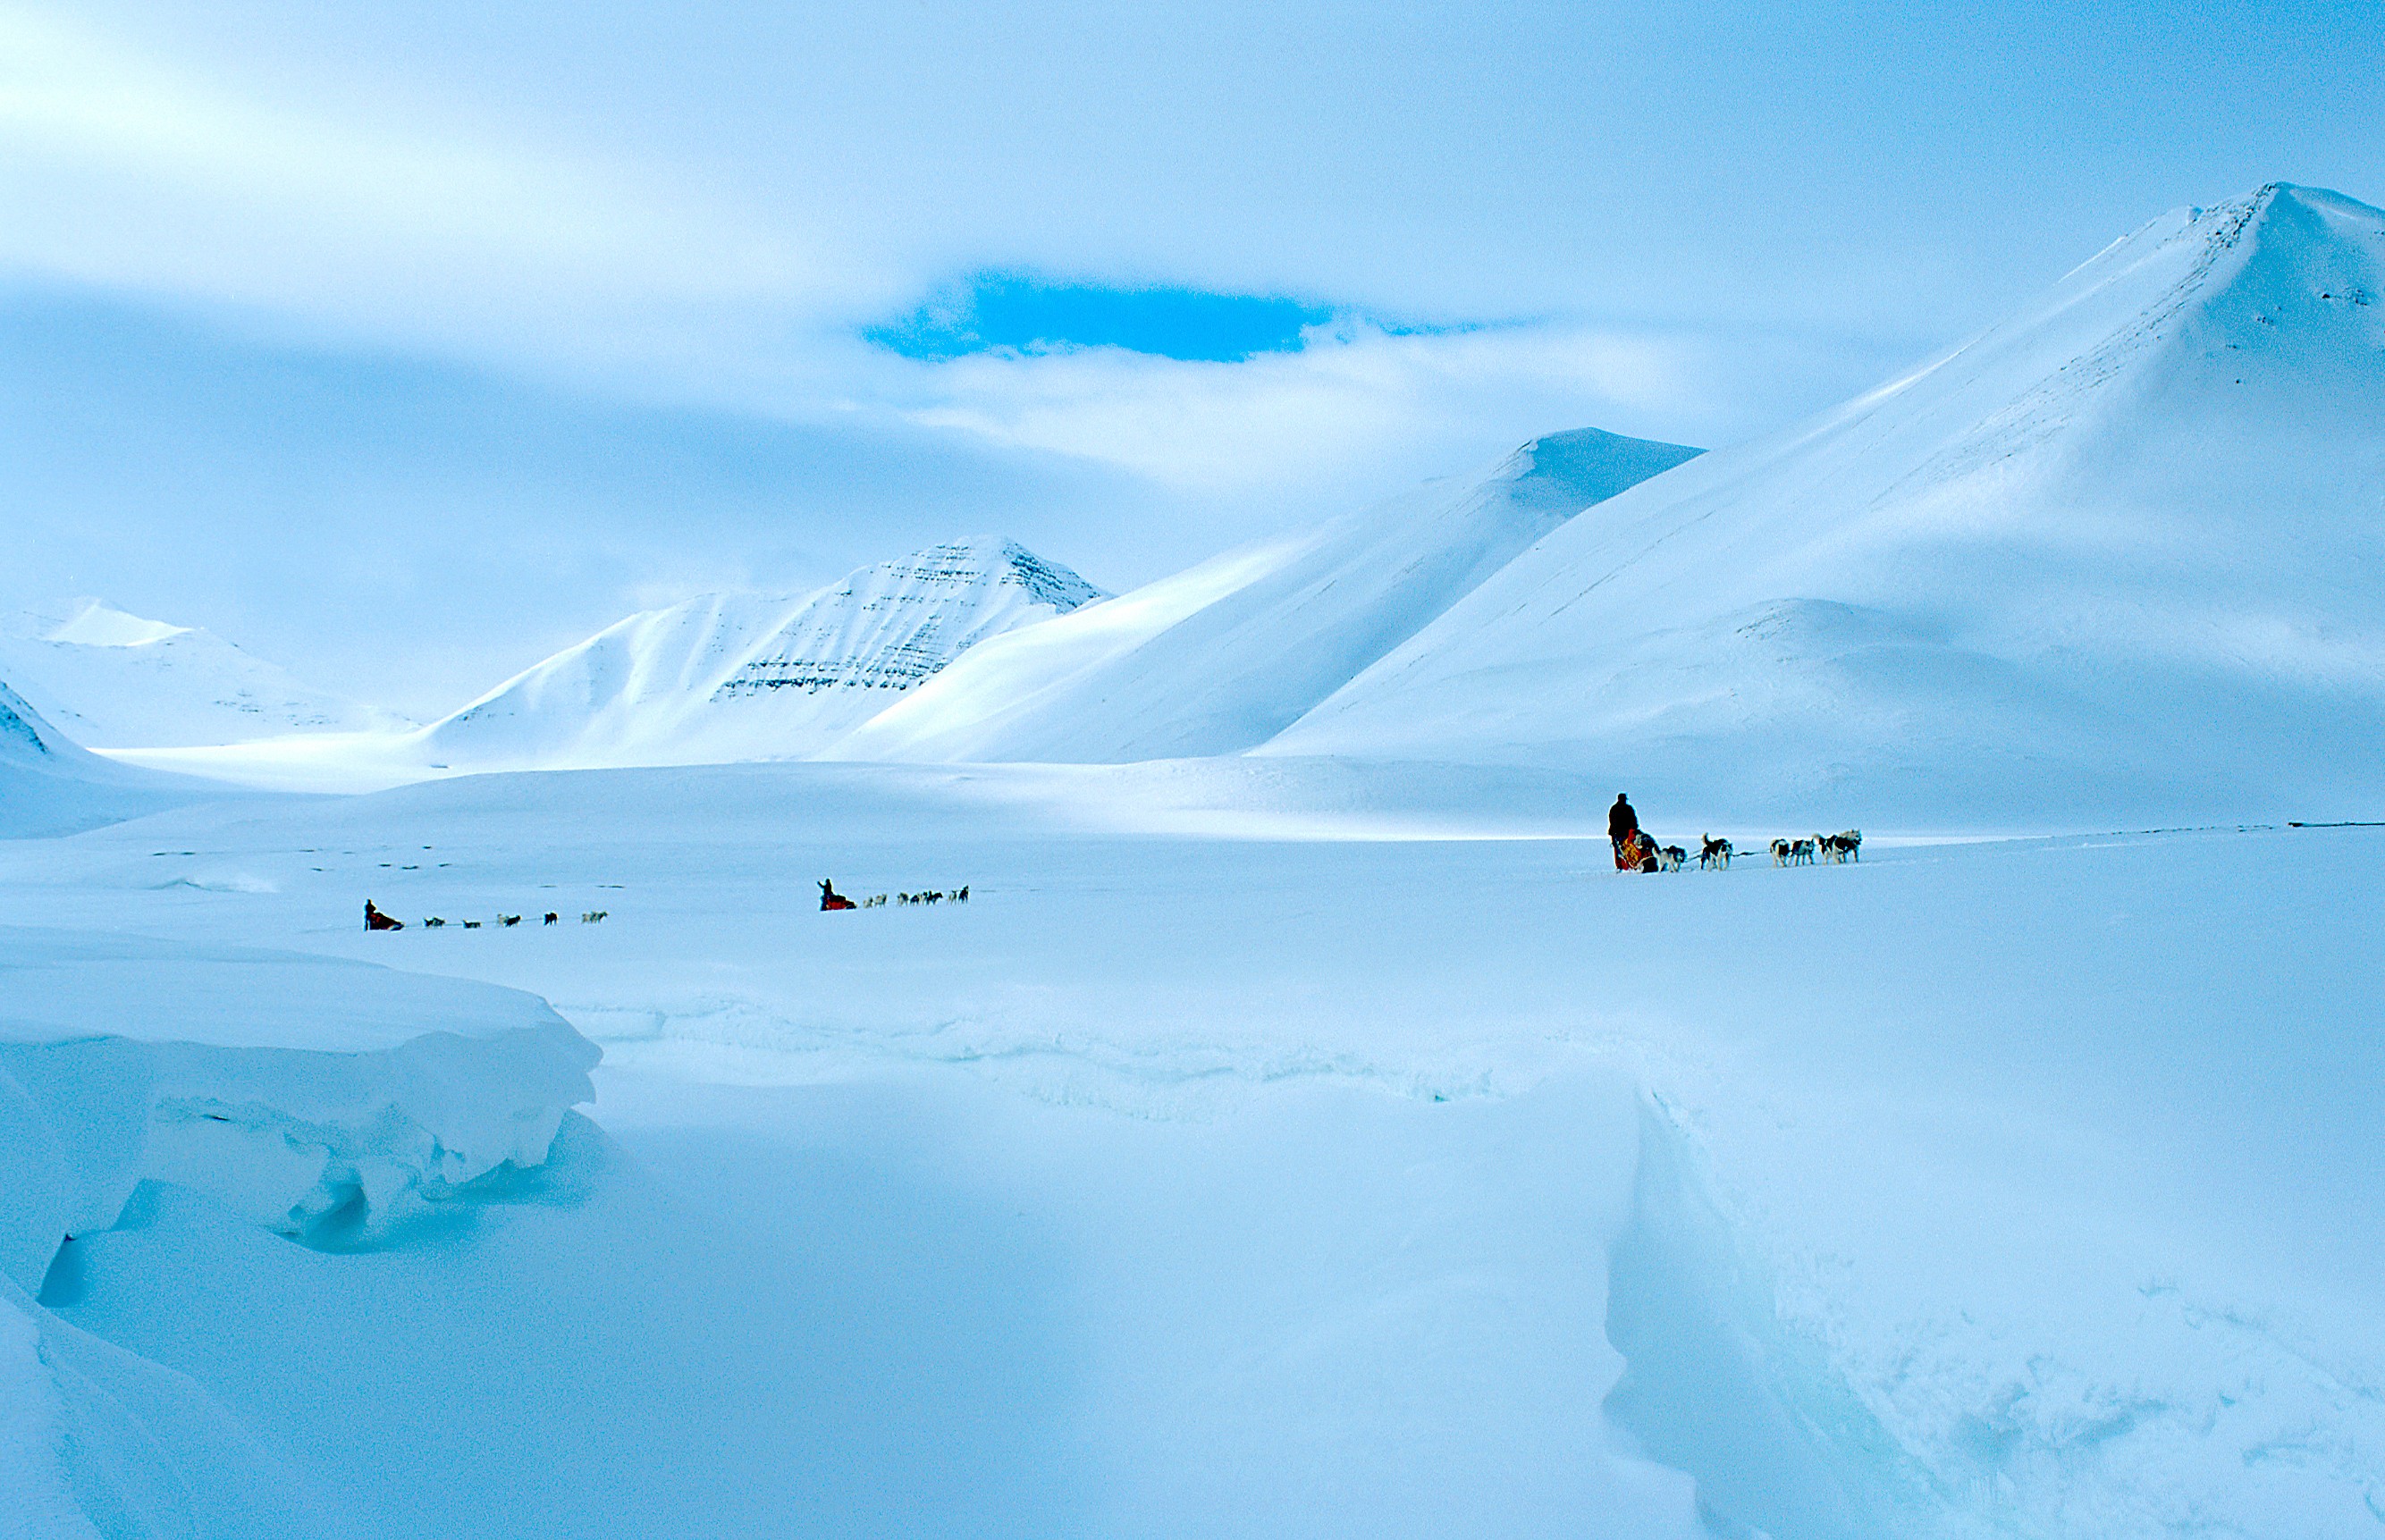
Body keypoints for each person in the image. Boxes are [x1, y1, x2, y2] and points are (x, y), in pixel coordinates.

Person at [1608, 794, 1639, 865]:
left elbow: (1612, 821)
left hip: (1621, 833)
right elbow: (1634, 820)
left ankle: (1623, 865)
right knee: (1625, 849)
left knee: (1621, 850)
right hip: (1624, 833)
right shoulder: (1628, 808)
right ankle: (1625, 864)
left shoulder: (1614, 808)